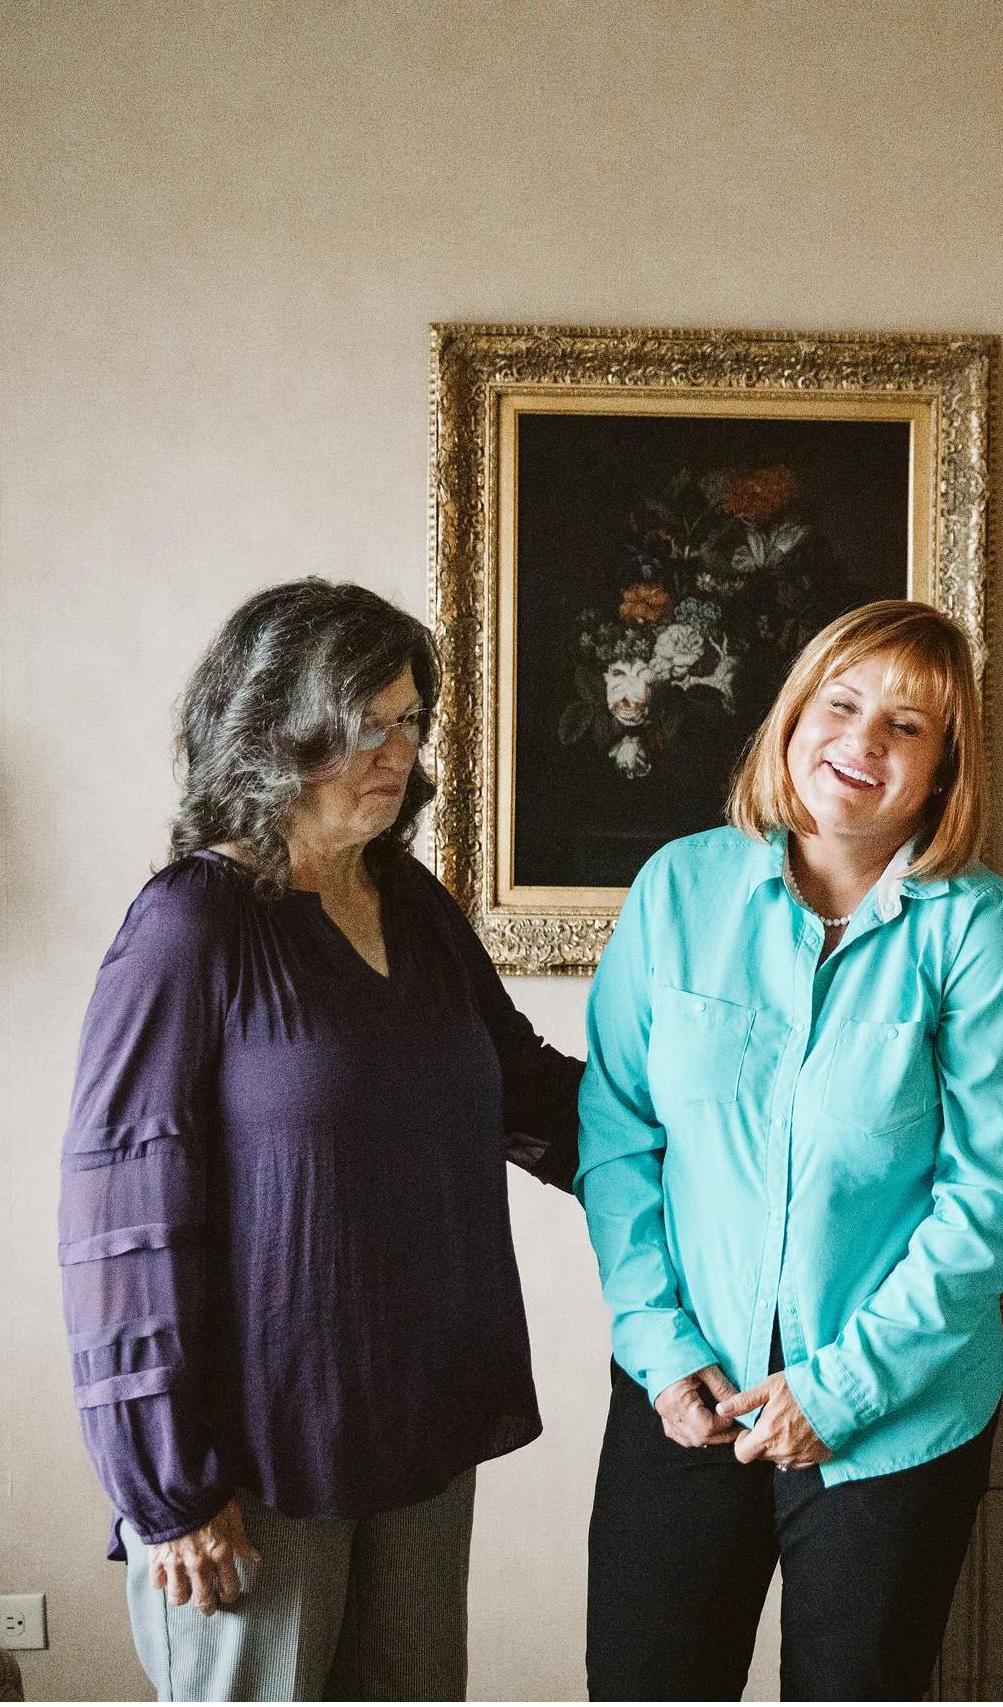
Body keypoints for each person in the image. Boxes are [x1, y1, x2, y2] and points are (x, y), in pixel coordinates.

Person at [59, 579, 582, 1702]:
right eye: (362, 723)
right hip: (254, 1462)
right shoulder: (190, 925)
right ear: (270, 726)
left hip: (424, 1429)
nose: (394, 750)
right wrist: (167, 1489)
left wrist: (748, 1148)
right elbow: (118, 1223)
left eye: (408, 721)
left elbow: (531, 1095)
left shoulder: (415, 904)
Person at [576, 599, 1003, 1700]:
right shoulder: (679, 889)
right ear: (792, 720)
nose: (863, 743)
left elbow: (990, 1200)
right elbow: (618, 1136)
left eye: (908, 727)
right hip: (684, 1388)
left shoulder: (973, 927)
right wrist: (657, 1340)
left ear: (943, 770)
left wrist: (837, 1391)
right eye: (842, 705)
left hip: (895, 1414)